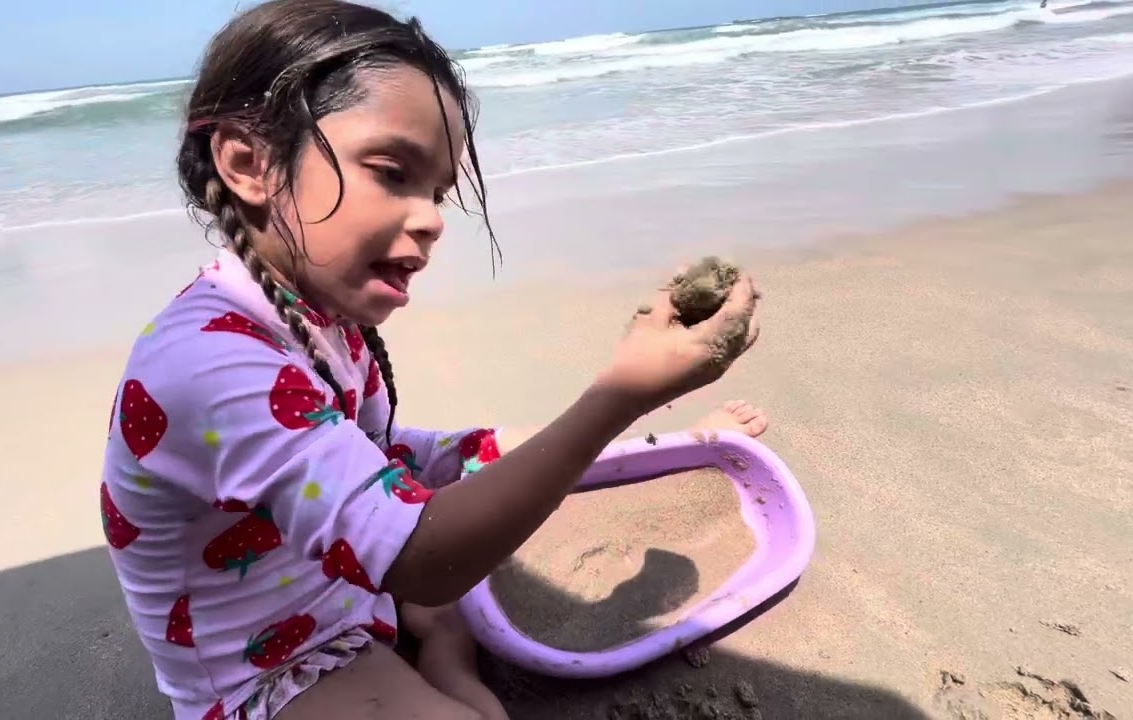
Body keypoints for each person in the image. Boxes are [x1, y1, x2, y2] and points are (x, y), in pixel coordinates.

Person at [98, 2, 764, 719]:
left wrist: (647, 433)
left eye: (438, 191)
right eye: (393, 172)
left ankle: (434, 634)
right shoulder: (209, 366)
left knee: (477, 488)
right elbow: (424, 556)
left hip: (344, 594)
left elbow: (383, 453)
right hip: (264, 674)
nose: (433, 219)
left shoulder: (316, 315)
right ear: (248, 163)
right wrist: (616, 396)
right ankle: (445, 649)